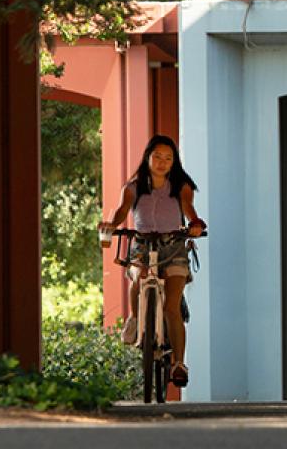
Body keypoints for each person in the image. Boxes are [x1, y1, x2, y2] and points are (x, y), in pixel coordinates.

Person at [98, 135, 206, 388]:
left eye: (168, 158)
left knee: (172, 307)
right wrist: (111, 226)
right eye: (157, 156)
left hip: (174, 247)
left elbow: (190, 210)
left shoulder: (181, 185)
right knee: (137, 275)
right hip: (142, 245)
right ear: (147, 157)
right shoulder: (134, 187)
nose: (162, 162)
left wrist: (195, 225)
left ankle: (179, 364)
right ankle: (136, 319)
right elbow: (122, 211)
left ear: (174, 162)